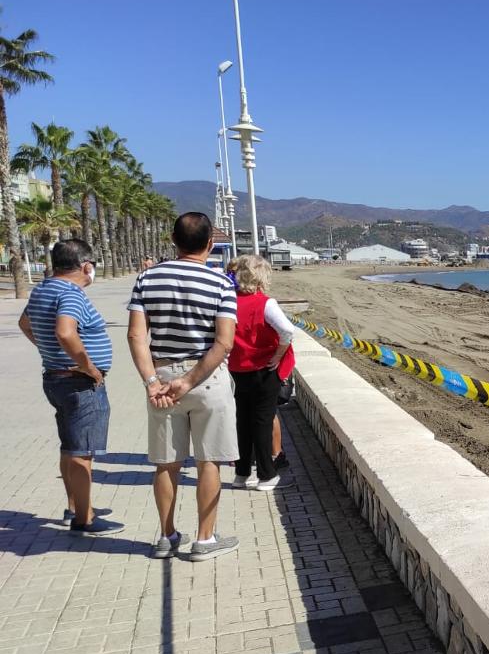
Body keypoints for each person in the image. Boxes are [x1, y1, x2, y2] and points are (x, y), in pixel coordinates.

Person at [126, 212, 239, 562]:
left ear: (173, 241)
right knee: (209, 461)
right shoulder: (220, 283)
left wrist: (151, 382)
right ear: (210, 243)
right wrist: (189, 380)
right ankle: (205, 540)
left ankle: (166, 535)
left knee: (167, 464)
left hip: (161, 378)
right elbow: (224, 342)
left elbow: (135, 335)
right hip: (207, 379)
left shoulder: (147, 279)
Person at [18, 239, 124, 536]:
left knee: (69, 447)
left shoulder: (43, 289)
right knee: (82, 452)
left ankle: (75, 506)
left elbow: (25, 323)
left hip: (56, 379)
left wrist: (49, 352)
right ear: (86, 265)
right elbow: (65, 331)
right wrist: (87, 366)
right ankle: (84, 519)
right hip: (80, 383)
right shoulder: (70, 292)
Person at [226, 255, 295, 490]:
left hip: (237, 369)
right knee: (262, 422)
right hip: (263, 370)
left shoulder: (229, 302)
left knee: (242, 422)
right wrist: (277, 355)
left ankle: (241, 473)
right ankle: (267, 475)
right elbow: (287, 330)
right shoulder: (264, 303)